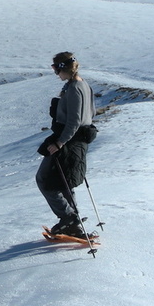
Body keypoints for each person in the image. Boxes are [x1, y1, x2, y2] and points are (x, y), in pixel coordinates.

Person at [36, 52, 96, 238]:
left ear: (63, 68)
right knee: (63, 182)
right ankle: (73, 222)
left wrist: (60, 143)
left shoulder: (75, 88)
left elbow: (74, 122)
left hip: (69, 140)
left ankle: (68, 217)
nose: (55, 73)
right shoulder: (81, 85)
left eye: (55, 69)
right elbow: (92, 112)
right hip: (75, 141)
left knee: (44, 180)